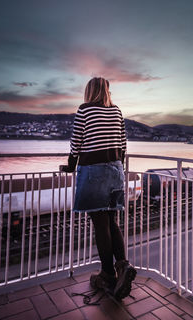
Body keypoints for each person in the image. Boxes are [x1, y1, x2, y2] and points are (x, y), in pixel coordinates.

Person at [62, 77, 136, 300]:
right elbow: (123, 145)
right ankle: (123, 267)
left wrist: (71, 165)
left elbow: (77, 142)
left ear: (89, 91)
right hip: (115, 170)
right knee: (112, 220)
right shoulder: (117, 111)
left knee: (100, 223)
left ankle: (107, 273)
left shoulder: (84, 110)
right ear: (107, 91)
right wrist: (116, 165)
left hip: (94, 172)